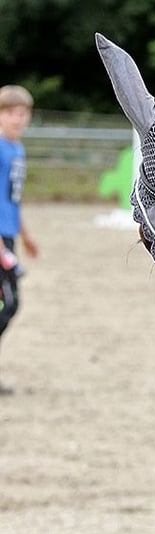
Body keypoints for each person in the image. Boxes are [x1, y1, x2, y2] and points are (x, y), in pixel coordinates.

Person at [0, 85, 39, 395]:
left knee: (8, 304)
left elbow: (12, 200)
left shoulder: (18, 150)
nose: (19, 119)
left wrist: (25, 236)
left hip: (8, 237)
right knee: (8, 303)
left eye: (23, 113)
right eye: (12, 113)